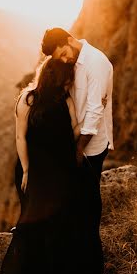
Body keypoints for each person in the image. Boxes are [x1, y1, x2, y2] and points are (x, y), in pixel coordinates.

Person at [1, 57, 104, 274]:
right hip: (36, 169)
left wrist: (92, 111)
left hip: (63, 167)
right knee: (38, 222)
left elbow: (75, 130)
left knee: (75, 215)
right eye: (66, 79)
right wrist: (26, 170)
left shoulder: (64, 98)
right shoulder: (27, 99)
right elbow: (20, 137)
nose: (69, 84)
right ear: (54, 77)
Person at [41, 28, 114, 183]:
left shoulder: (95, 62)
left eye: (63, 54)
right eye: (60, 58)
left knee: (89, 194)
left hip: (91, 143)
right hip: (73, 139)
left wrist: (79, 149)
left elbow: (95, 110)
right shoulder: (73, 60)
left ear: (69, 40)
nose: (65, 60)